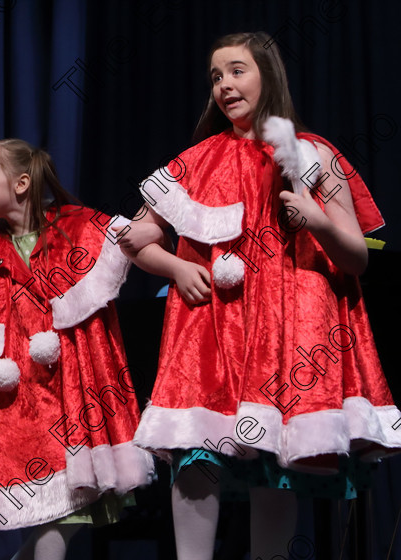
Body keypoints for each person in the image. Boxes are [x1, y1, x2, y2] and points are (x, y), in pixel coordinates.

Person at [121, 32, 401, 560]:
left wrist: (317, 218)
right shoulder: (196, 162)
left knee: (273, 461)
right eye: (215, 77)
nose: (224, 85)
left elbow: (358, 259)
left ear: (267, 75)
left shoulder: (313, 153)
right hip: (210, 333)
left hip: (284, 331)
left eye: (236, 71)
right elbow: (133, 239)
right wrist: (178, 266)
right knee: (196, 453)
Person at [0, 138, 155, 560]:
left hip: (74, 399)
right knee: (55, 514)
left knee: (63, 515)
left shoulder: (77, 228)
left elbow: (140, 234)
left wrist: (165, 237)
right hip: (22, 411)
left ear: (22, 183)